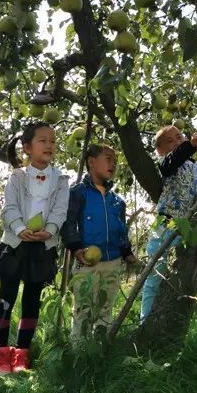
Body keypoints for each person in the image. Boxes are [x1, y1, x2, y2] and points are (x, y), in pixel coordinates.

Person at [0, 122, 69, 374]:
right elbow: (9, 207)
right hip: (16, 242)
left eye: (53, 141)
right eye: (42, 140)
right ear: (27, 148)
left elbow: (60, 209)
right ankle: (0, 352)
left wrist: (52, 229)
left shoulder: (61, 179)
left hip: (42, 245)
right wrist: (18, 227)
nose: (49, 145)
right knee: (6, 298)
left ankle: (22, 353)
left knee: (32, 299)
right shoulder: (17, 177)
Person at [62, 144, 138, 340]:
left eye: (115, 161)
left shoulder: (117, 201)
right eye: (108, 158)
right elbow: (68, 222)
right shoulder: (78, 193)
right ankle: (79, 350)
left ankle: (99, 348)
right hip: (87, 262)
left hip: (112, 262)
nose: (113, 164)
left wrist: (127, 252)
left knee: (105, 308)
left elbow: (121, 231)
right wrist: (76, 247)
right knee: (84, 308)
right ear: (91, 161)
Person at [139, 125, 197, 322]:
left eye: (180, 137)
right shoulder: (167, 163)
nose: (177, 141)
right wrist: (190, 145)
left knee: (181, 277)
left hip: (188, 230)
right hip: (165, 224)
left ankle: (172, 323)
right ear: (160, 150)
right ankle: (144, 321)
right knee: (154, 275)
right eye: (170, 141)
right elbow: (173, 160)